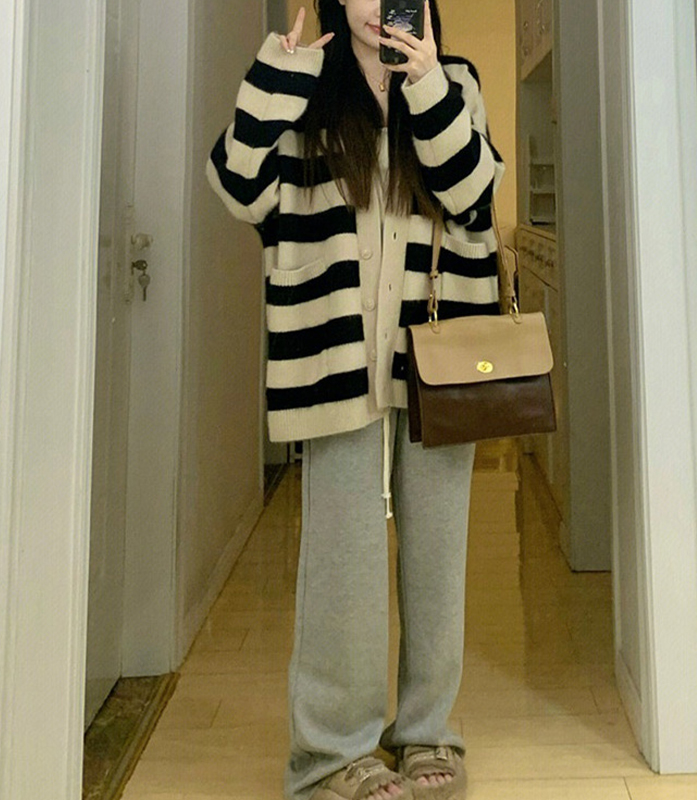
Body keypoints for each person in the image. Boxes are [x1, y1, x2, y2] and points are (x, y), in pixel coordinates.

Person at [207, 2, 505, 798]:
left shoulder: (454, 83)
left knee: (438, 560)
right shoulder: (304, 89)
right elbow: (236, 187)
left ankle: (428, 735)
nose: (380, 5)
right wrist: (275, 75)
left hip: (436, 363)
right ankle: (331, 756)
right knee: (341, 564)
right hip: (332, 359)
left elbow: (473, 197)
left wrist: (427, 83)